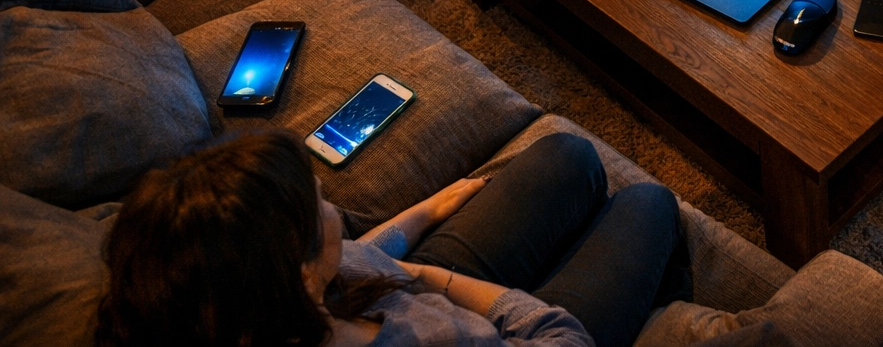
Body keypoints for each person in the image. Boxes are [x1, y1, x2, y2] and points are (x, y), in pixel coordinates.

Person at [95, 131, 689, 347]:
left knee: (568, 154)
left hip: (388, 291)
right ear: (300, 276)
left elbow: (359, 256)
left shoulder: (244, 299)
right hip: (486, 323)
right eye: (319, 203)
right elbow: (561, 337)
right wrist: (435, 278)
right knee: (649, 203)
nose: (334, 207)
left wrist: (431, 208)